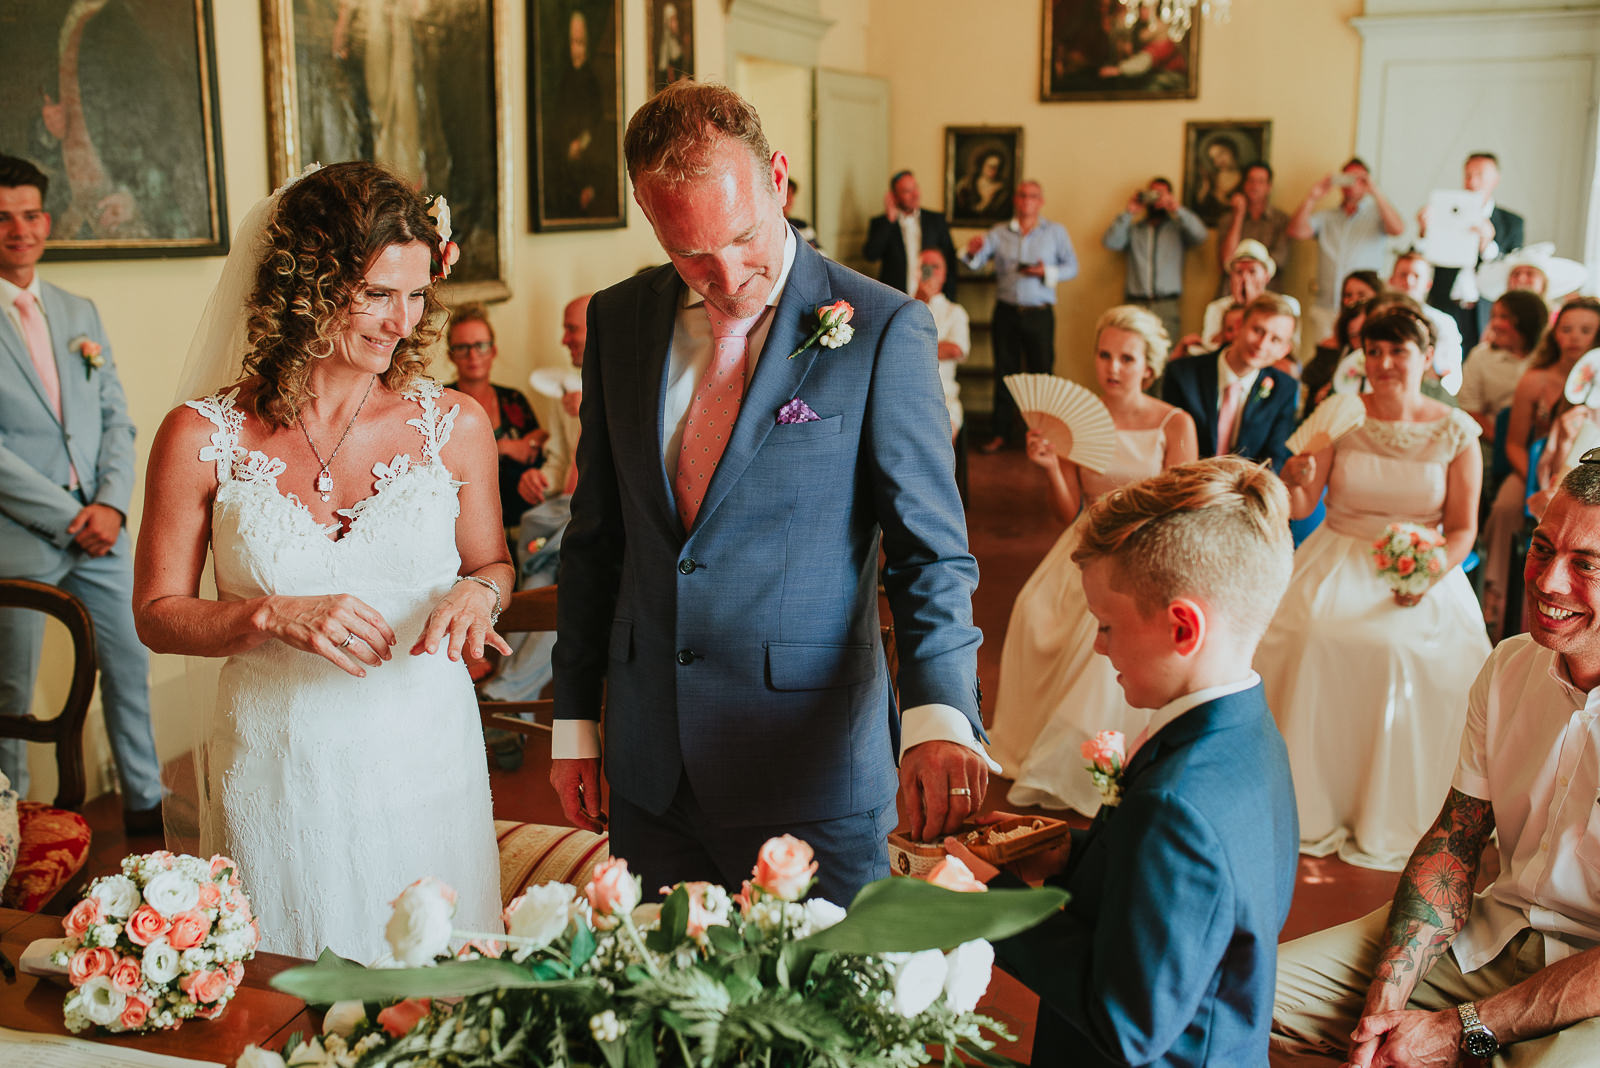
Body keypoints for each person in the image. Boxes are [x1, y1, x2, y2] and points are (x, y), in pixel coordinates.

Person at [551, 82, 986, 906]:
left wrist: (937, 713)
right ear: (649, 218)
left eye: (744, 238)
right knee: (663, 1021)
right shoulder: (618, 323)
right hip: (652, 773)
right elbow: (596, 536)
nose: (725, 276)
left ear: (778, 178)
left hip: (810, 777)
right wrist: (576, 719)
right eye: (689, 255)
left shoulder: (882, 327)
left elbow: (930, 552)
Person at [131, 161, 510, 959]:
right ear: (306, 283)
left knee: (434, 995)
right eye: (374, 293)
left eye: (414, 295)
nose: (400, 322)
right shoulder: (200, 437)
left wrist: (478, 595)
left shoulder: (457, 425)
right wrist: (269, 613)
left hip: (424, 758)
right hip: (277, 765)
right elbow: (157, 615)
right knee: (288, 992)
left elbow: (492, 563)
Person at [951, 456, 1298, 1067]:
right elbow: (1192, 901)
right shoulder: (1249, 731)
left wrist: (993, 899)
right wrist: (1071, 854)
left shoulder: (1175, 803)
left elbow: (1126, 1023)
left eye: (1107, 624)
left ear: (1182, 627)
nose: (1097, 644)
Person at [1272, 462, 1600, 1066]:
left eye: (1588, 565)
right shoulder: (1508, 667)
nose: (1550, 582)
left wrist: (1461, 1030)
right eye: (1542, 548)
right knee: (1245, 1001)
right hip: (1490, 936)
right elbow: (1455, 841)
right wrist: (1383, 1006)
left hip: (1589, 988)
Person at [1257, 302, 1490, 871]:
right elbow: (1304, 506)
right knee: (1312, 635)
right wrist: (1295, 479)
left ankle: (1390, 806)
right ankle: (1310, 802)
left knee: (1400, 649)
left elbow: (1461, 529)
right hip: (1338, 553)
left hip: (1423, 564)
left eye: (1398, 352)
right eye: (1375, 352)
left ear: (1428, 358)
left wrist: (1430, 573)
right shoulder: (1339, 413)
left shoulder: (1456, 430)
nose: (1384, 363)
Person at [0, 154, 163, 834]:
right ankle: (7, 826)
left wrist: (113, 506)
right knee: (11, 692)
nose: (20, 230)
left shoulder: (77, 310)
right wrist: (70, 516)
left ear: (47, 219)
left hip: (102, 529)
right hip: (23, 537)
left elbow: (116, 419)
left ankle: (146, 809)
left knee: (131, 665)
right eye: (3, 218)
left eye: (31, 214)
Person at [987, 305, 1198, 814]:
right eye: (1105, 355)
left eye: (1127, 357)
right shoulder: (1079, 420)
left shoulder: (1174, 423)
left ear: (1148, 365)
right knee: (1031, 610)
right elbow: (1070, 513)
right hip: (1085, 543)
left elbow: (1182, 512)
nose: (1114, 367)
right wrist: (1050, 469)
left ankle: (1089, 754)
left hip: (1144, 551)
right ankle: (1035, 738)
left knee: (1096, 628)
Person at [1482, 297, 1600, 637]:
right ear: (1555, 334)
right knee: (1506, 506)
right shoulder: (1536, 380)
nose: (1575, 337)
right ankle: (1496, 598)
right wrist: (1536, 481)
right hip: (1532, 468)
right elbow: (1515, 443)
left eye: (1586, 330)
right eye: (1567, 329)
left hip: (1586, 473)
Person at [963, 179, 1079, 453]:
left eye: (1033, 196)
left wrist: (1046, 272)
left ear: (1041, 202)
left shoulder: (1055, 232)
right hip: (1006, 313)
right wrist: (971, 251)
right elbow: (976, 263)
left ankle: (1043, 437)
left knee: (1042, 375)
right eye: (1023, 195)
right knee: (1005, 374)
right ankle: (1000, 434)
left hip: (1039, 314)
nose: (1027, 200)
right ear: (1016, 200)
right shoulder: (998, 232)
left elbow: (1072, 267)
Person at [1162, 292, 1300, 471]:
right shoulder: (1182, 374)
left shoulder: (1284, 388)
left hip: (1246, 491)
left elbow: (1275, 458)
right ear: (1239, 325)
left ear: (1284, 350)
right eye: (1257, 330)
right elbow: (1168, 444)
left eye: (1275, 340)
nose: (1262, 344)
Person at [1288, 158, 1407, 354]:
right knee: (1326, 359)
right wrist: (1313, 196)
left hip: (1365, 310)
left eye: (1357, 179)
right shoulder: (1327, 217)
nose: (1351, 184)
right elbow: (1296, 231)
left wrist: (1374, 191)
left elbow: (1398, 229)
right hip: (1327, 306)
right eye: (1346, 178)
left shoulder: (1376, 216)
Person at [445, 303, 548, 527]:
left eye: (480, 345)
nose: (473, 355)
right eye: (462, 347)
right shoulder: (442, 402)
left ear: (493, 350)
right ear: (451, 355)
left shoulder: (513, 399)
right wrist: (505, 447)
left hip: (521, 517)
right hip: (464, 522)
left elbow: (540, 440)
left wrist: (532, 440)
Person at [1420, 152, 1526, 350]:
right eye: (1468, 175)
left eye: (1479, 175)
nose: (1472, 181)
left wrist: (1487, 244)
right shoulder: (1445, 211)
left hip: (1484, 311)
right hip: (1444, 303)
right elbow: (1423, 257)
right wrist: (1425, 233)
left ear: (1495, 179)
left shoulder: (1511, 223)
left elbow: (1513, 271)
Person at [1102, 176, 1207, 347]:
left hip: (1166, 305)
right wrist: (1129, 212)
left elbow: (1201, 236)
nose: (1156, 199)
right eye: (1152, 193)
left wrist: (1176, 208)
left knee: (1166, 356)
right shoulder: (1136, 230)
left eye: (1160, 194)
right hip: (1136, 303)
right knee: (1131, 350)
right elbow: (1110, 242)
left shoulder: (1177, 229)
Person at [1457, 288, 1549, 439]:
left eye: (1504, 317)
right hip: (1492, 442)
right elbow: (1470, 409)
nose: (1495, 324)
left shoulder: (1547, 358)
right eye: (1493, 316)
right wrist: (1503, 444)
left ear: (1527, 320)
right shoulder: (1480, 356)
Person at [1191, 238, 1300, 353]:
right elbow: (1208, 350)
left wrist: (1252, 304)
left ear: (1266, 276)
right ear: (1231, 277)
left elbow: (1291, 352)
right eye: (1239, 272)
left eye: (1252, 271)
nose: (1245, 278)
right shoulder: (1217, 308)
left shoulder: (1287, 305)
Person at [861, 170, 957, 300]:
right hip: (896, 297)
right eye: (907, 191)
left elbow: (950, 260)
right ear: (894, 196)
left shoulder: (936, 220)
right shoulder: (881, 223)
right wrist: (889, 221)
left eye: (915, 188)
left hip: (931, 298)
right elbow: (871, 255)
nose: (915, 194)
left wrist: (949, 296)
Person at [1389, 249, 1465, 394]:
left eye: (1416, 276)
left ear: (1428, 284)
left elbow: (1450, 376)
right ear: (1391, 280)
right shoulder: (1378, 317)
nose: (1409, 281)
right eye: (1403, 275)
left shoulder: (1444, 323)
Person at [538, 293, 592, 500]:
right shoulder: (563, 389)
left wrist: (591, 415)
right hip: (569, 505)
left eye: (571, 329)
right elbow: (560, 462)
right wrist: (539, 482)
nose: (564, 340)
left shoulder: (630, 385)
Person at [913, 250, 970, 439]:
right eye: (924, 266)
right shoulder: (902, 305)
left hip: (943, 394)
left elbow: (956, 349)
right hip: (907, 393)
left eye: (935, 267)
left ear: (945, 274)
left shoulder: (955, 312)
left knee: (945, 433)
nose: (929, 271)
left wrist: (913, 348)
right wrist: (918, 300)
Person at [1219, 161, 1292, 293]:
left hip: (1268, 293)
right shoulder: (1227, 219)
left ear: (1269, 187)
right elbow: (1227, 260)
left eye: (1260, 181)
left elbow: (1279, 260)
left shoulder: (1281, 220)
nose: (1254, 186)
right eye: (1251, 181)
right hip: (1230, 293)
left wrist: (1248, 272)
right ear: (1244, 184)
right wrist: (1238, 215)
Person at [952, 149, 1011, 222]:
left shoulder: (1003, 189)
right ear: (982, 165)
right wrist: (984, 202)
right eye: (990, 166)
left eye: (997, 167)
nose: (993, 170)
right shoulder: (966, 183)